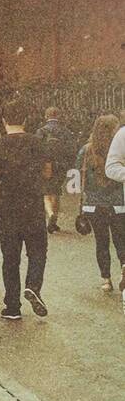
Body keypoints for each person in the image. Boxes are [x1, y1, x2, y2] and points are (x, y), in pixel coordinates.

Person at [0, 100, 53, 320]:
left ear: (4, 120)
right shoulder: (38, 142)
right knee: (37, 252)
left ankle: (12, 307)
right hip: (32, 206)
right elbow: (48, 173)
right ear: (25, 119)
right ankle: (33, 285)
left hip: (7, 208)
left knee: (10, 258)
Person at [77, 114, 125, 295]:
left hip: (94, 204)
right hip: (119, 203)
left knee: (101, 242)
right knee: (121, 240)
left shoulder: (86, 150)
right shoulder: (120, 147)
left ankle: (106, 279)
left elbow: (77, 175)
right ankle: (124, 271)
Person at [36, 106, 77, 234]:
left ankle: (50, 213)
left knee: (46, 193)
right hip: (61, 165)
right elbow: (72, 149)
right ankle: (54, 222)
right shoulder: (66, 131)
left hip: (45, 165)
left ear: (46, 116)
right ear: (59, 116)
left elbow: (36, 149)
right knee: (56, 192)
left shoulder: (41, 131)